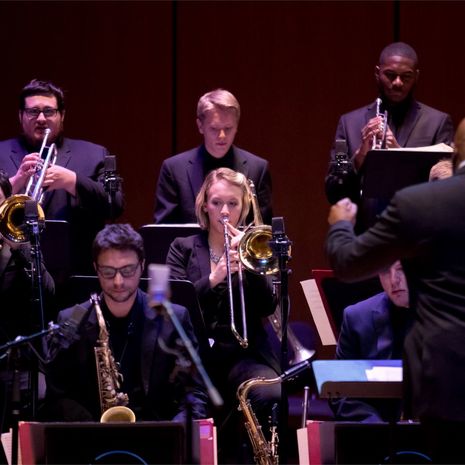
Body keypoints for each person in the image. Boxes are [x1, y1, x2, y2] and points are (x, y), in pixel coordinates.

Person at [325, 118, 465, 463]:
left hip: (445, 370)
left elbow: (347, 262)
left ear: (456, 152)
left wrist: (341, 223)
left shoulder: (421, 203)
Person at [166, 167, 280, 462]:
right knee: (188, 410)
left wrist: (249, 266)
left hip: (243, 354)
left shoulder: (255, 247)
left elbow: (268, 305)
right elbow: (175, 308)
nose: (225, 212)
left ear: (244, 207)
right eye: (217, 203)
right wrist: (214, 278)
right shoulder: (183, 249)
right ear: (205, 203)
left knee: (269, 393)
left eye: (233, 203)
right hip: (195, 357)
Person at [43, 223, 207, 422]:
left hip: (157, 436)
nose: (118, 281)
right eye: (108, 271)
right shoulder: (71, 321)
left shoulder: (174, 320)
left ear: (142, 265)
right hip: (92, 438)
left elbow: (194, 393)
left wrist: (174, 433)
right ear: (96, 268)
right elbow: (58, 395)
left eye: (127, 270)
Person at [325, 42, 454, 229]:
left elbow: (446, 191)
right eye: (390, 75)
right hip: (365, 235)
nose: (398, 83)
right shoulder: (349, 122)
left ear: (416, 76)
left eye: (406, 77)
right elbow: (332, 192)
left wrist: (399, 154)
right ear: (377, 73)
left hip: (416, 234)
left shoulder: (438, 122)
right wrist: (360, 157)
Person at [0, 79, 124, 274]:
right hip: (10, 272)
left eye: (49, 111)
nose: (41, 118)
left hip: (75, 270)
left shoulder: (93, 154)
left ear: (62, 115)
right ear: (20, 115)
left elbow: (114, 206)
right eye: (33, 111)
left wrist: (72, 181)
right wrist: (15, 182)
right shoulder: (1, 152)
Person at [154, 88, 273, 225]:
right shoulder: (173, 169)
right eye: (214, 128)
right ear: (200, 126)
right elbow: (163, 231)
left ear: (236, 126)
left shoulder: (258, 168)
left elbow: (264, 229)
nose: (222, 136)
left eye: (228, 128)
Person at [0, 170, 55, 463]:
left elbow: (48, 291)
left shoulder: (21, 244)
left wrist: (20, 251)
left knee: (43, 393)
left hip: (19, 360)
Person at [330, 261, 413, 422]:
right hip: (376, 435)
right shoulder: (356, 317)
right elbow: (341, 391)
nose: (394, 280)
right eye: (385, 271)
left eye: (401, 269)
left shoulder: (454, 314)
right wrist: (376, 428)